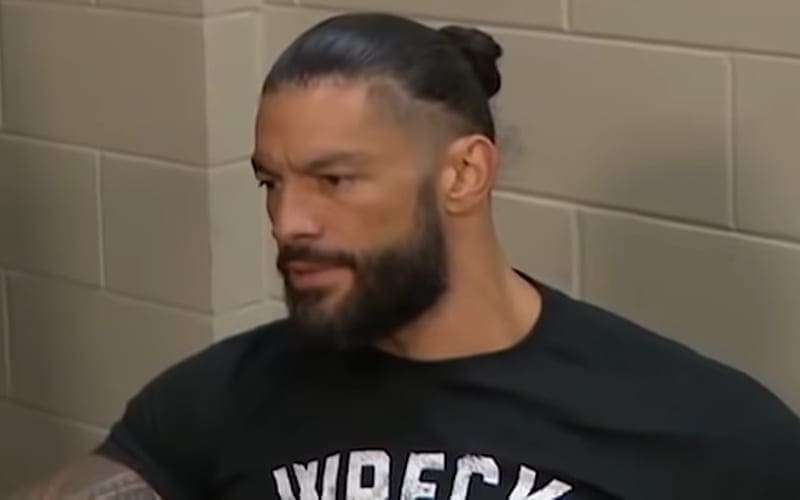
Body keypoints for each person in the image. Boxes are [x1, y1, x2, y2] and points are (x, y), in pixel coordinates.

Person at [13, 11, 800, 500]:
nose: (288, 222)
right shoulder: (221, 400)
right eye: (271, 182)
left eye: (334, 180)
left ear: (463, 174)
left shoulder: (703, 431)